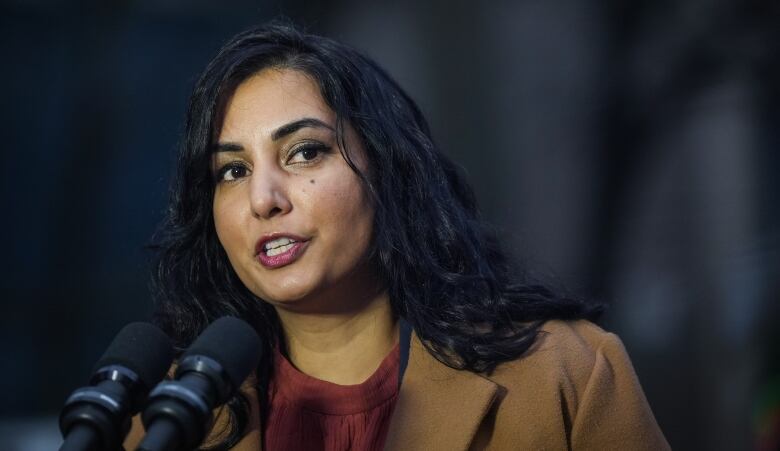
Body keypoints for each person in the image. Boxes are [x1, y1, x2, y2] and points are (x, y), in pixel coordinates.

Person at [125, 22, 669, 450]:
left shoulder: (565, 372)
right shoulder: (164, 420)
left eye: (305, 152)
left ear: (387, 170)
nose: (264, 199)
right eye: (233, 171)